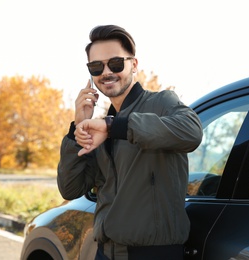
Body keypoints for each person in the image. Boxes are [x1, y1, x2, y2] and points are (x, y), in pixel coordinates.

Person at [57, 25, 203, 260]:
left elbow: (192, 132)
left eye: (115, 63)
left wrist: (115, 127)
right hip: (106, 253)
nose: (106, 72)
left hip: (155, 253)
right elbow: (71, 188)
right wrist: (78, 127)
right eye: (96, 67)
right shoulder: (101, 126)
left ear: (133, 65)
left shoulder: (162, 102)